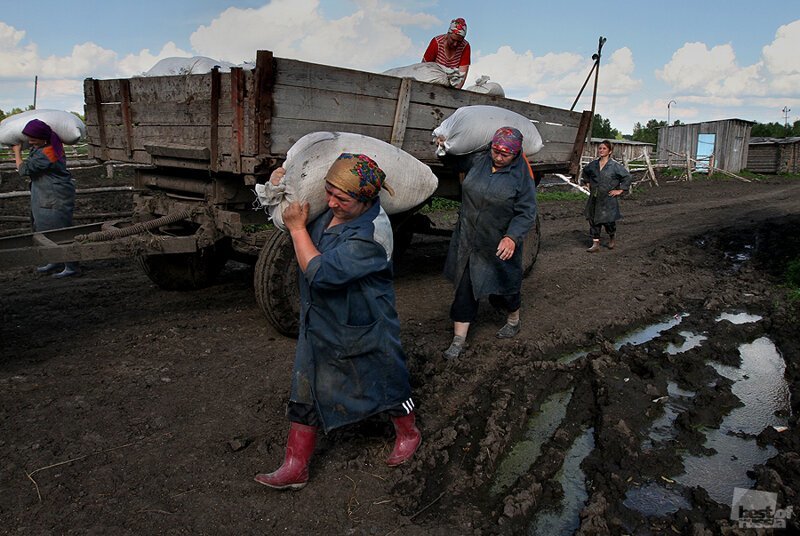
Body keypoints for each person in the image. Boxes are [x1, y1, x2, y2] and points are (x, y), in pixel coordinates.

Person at [254, 153, 421, 490]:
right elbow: (287, 222)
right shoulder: (331, 212)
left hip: (364, 322)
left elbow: (321, 273)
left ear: (366, 199)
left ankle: (409, 432)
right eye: (328, 192)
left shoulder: (372, 234)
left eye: (340, 198)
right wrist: (277, 190)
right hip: (321, 319)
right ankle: (295, 464)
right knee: (306, 382)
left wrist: (298, 228)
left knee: (386, 377)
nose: (330, 202)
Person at [442, 127, 538, 359]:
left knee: (505, 285)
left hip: (498, 241)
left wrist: (512, 237)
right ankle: (459, 339)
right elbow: (451, 159)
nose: (498, 156)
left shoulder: (521, 176)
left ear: (516, 154)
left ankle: (513, 319)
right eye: (495, 151)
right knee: (465, 288)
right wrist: (444, 145)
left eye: (505, 154)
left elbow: (526, 212)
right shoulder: (478, 160)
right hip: (469, 238)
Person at [12, 119, 79, 278]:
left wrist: (17, 152)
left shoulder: (48, 152)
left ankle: (71, 265)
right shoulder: (42, 147)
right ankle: (55, 260)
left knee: (60, 230)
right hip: (44, 193)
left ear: (43, 138)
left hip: (54, 196)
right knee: (45, 228)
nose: (30, 141)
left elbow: (24, 170)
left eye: (33, 138)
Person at [580, 140, 634, 252]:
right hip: (595, 196)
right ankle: (595, 244)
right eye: (600, 148)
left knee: (608, 221)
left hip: (608, 198)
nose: (601, 150)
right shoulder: (593, 165)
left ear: (610, 151)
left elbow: (627, 177)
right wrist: (587, 183)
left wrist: (620, 190)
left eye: (604, 148)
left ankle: (612, 236)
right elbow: (585, 172)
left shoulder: (614, 166)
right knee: (593, 219)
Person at [422, 17, 470, 89]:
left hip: (452, 86)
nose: (455, 44)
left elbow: (461, 76)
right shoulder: (436, 42)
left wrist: (454, 92)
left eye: (459, 42)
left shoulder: (465, 46)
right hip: (432, 82)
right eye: (453, 40)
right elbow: (424, 67)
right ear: (448, 34)